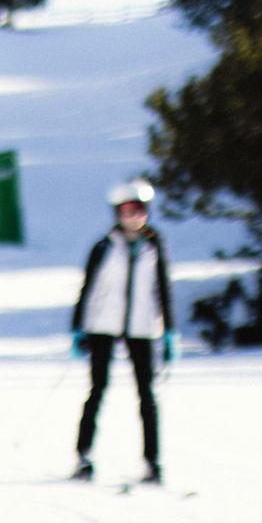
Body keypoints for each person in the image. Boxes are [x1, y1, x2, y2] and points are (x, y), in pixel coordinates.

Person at [70, 178, 173, 484]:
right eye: (127, 209)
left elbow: (162, 289)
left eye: (139, 209)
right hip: (103, 325)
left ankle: (153, 462)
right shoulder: (103, 248)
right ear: (117, 213)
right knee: (98, 389)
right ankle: (83, 455)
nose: (134, 216)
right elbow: (87, 289)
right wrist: (79, 328)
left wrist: (170, 331)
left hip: (141, 327)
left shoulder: (154, 247)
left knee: (147, 395)